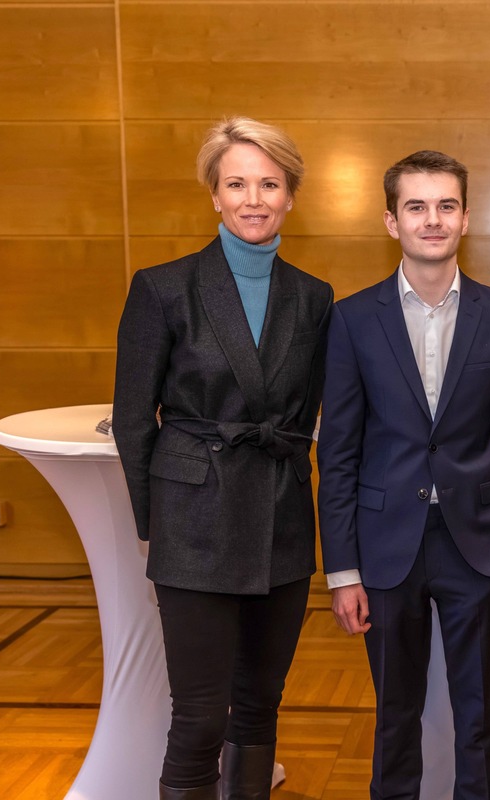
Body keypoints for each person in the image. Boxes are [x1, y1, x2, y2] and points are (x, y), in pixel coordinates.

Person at [113, 117, 332, 800]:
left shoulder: (315, 297)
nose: (254, 198)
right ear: (213, 194)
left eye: (269, 183)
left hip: (281, 516)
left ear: (291, 195)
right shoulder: (162, 288)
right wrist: (156, 520)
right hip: (194, 520)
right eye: (236, 183)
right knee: (201, 715)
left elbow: (315, 411)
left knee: (261, 705)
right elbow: (131, 417)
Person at [317, 150, 490, 800]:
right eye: (416, 206)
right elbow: (337, 453)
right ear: (391, 221)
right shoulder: (353, 320)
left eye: (446, 205)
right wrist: (342, 570)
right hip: (384, 547)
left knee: (478, 716)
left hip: (478, 546)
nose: (432, 219)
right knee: (394, 717)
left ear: (466, 217)